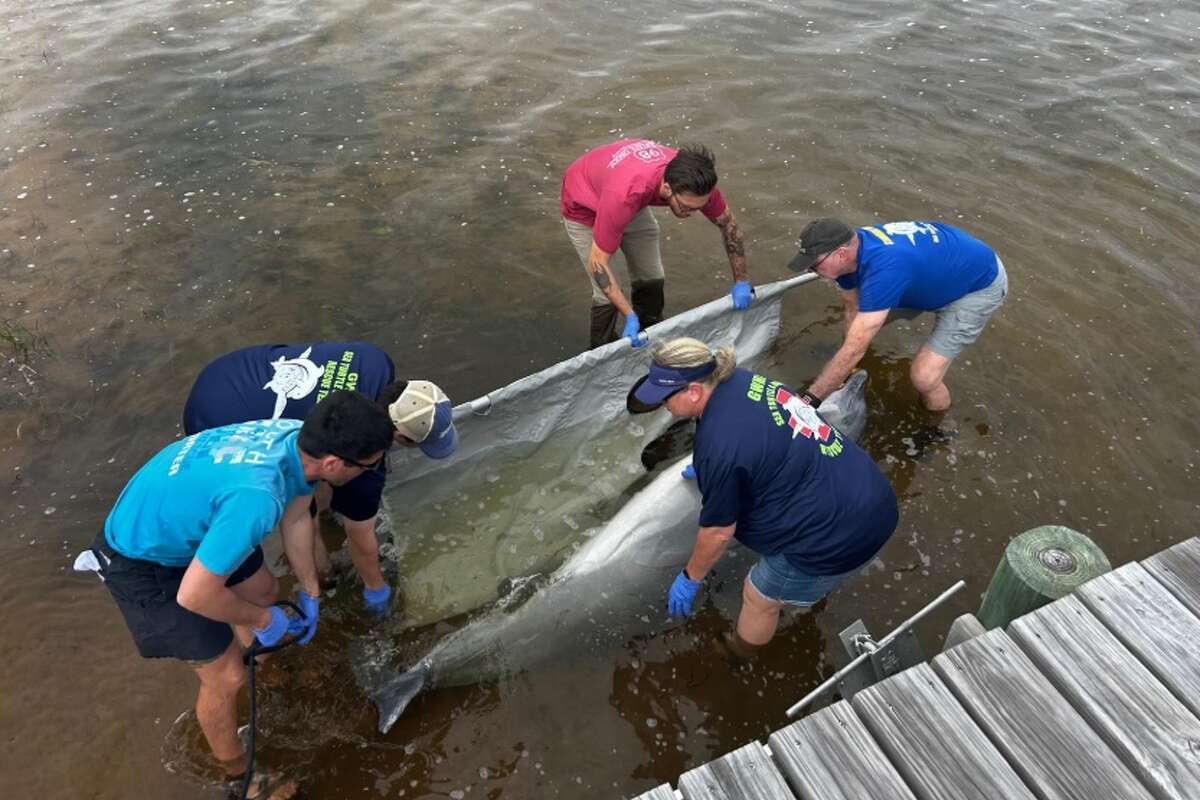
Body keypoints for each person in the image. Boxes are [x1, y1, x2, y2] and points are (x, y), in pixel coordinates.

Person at [89, 390, 394, 797]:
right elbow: (194, 595)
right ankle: (237, 774)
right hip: (140, 559)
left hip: (193, 518)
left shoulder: (295, 437)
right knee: (226, 676)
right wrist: (265, 620)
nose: (373, 472)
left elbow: (297, 517)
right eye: (369, 466)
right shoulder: (257, 498)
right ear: (334, 464)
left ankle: (264, 667)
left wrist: (310, 591)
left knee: (264, 588)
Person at [627, 338, 898, 659]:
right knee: (796, 577)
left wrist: (690, 578)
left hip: (841, 533)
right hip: (868, 489)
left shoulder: (721, 447)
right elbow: (766, 433)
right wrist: (717, 469)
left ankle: (740, 654)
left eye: (665, 398)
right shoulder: (739, 379)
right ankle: (810, 590)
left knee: (759, 596)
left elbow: (718, 532)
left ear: (694, 392)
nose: (664, 407)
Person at [183, 341, 458, 615]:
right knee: (288, 513)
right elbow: (360, 538)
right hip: (218, 424)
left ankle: (318, 535)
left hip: (228, 373)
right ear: (399, 436)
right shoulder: (364, 456)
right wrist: (376, 587)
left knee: (313, 482)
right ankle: (321, 577)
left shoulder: (374, 361)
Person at [788, 218, 1008, 412]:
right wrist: (846, 363)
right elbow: (851, 308)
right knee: (857, 332)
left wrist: (810, 399)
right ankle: (847, 367)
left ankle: (936, 430)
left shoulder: (884, 271)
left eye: (814, 266)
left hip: (977, 285)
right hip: (933, 271)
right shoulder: (850, 254)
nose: (811, 271)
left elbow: (856, 346)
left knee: (924, 377)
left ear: (840, 254)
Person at [560, 139, 753, 349]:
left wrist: (741, 281)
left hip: (626, 192)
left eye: (699, 207)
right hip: (585, 204)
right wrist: (628, 314)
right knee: (605, 296)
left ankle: (650, 332)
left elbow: (729, 226)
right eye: (686, 207)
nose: (692, 213)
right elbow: (598, 264)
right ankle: (600, 348)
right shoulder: (625, 195)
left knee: (652, 276)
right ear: (667, 188)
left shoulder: (699, 185)